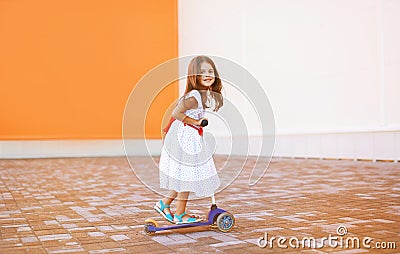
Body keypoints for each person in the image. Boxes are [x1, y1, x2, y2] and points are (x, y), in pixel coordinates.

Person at [154, 56, 223, 224]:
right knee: (188, 176)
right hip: (184, 136)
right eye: (202, 72)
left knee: (185, 175)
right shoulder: (193, 97)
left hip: (189, 135)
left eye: (210, 71)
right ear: (194, 76)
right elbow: (176, 114)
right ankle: (179, 214)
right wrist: (197, 123)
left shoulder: (200, 95)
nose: (207, 75)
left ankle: (165, 204)